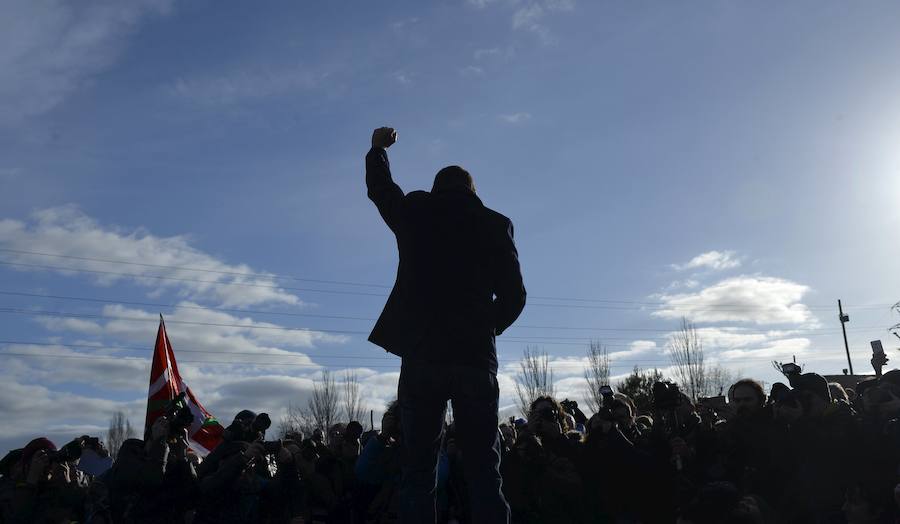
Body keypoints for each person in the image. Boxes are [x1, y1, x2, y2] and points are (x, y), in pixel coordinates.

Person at [365, 126, 527, 524]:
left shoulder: (416, 213)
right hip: (474, 357)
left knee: (418, 471)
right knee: (485, 471)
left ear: (437, 188)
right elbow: (515, 296)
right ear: (472, 191)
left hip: (423, 355)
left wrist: (377, 151)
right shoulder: (494, 223)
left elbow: (382, 192)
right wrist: (488, 328)